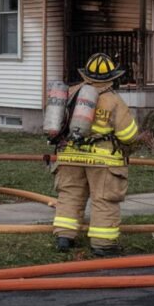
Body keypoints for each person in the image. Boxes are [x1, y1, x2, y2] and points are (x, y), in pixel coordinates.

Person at [52, 52, 139, 256]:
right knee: (104, 200)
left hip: (69, 155)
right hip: (103, 160)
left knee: (69, 195)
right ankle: (103, 244)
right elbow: (128, 135)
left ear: (86, 75)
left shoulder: (71, 92)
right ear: (112, 78)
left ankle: (64, 237)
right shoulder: (113, 100)